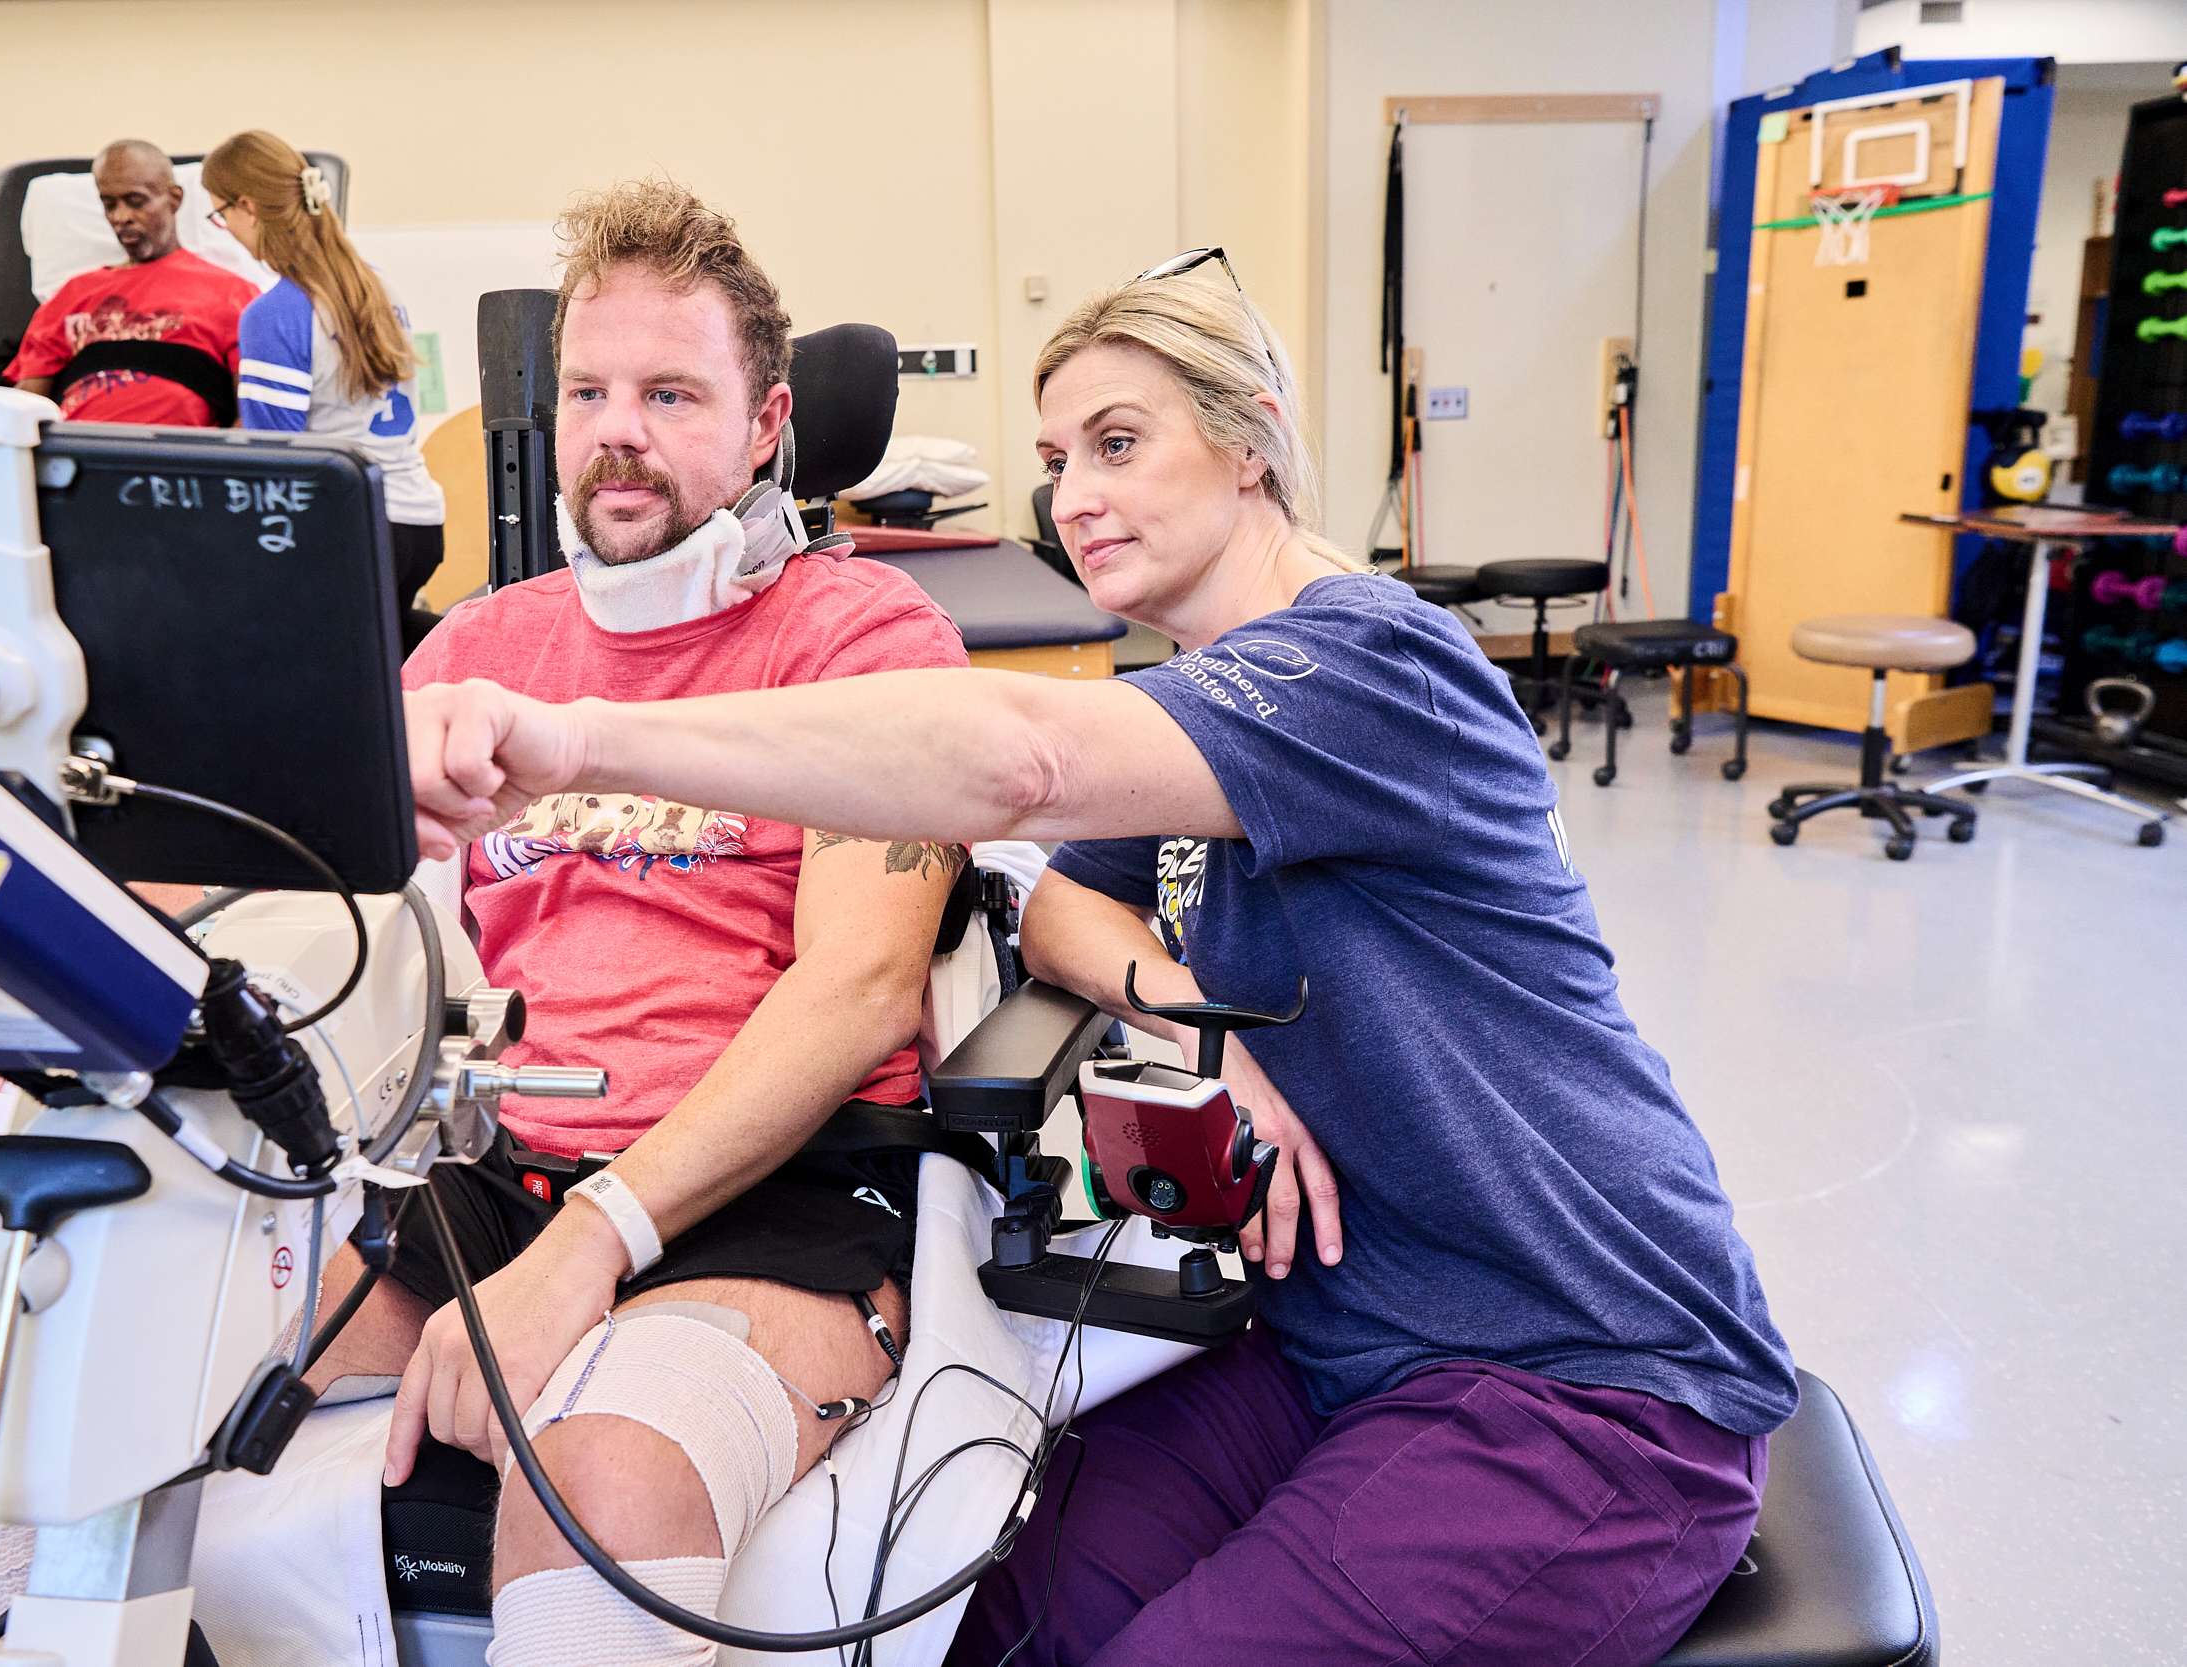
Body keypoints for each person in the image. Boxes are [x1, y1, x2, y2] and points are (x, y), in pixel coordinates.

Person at [398, 251, 1797, 1666]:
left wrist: (575, 737)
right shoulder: (1198, 707)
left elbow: (1018, 766)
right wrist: (1211, 1028)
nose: (1074, 496)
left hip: (1582, 1373)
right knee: (983, 1617)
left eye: (1121, 444)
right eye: (1058, 457)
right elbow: (1066, 904)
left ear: (1249, 438)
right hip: (1329, 1337)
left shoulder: (1376, 663)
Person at [304, 179, 972, 1666]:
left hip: (778, 1185)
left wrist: (600, 1238)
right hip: (493, 1162)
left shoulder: (866, 643)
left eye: (673, 393)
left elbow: (862, 986)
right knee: (96, 1329)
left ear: (762, 424)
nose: (620, 427)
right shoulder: (478, 646)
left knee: (596, 1479)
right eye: (594, 390)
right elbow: (322, 908)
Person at [202, 130, 449, 630]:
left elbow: (276, 465)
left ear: (247, 206)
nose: (224, 227)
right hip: (418, 520)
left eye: (221, 213)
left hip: (351, 529)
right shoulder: (379, 285)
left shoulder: (273, 315)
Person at [6, 139, 259, 426]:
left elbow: (252, 415)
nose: (121, 217)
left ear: (174, 199)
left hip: (181, 459)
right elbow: (25, 410)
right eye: (109, 204)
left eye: (136, 202)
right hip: (76, 457)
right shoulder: (71, 295)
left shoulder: (233, 294)